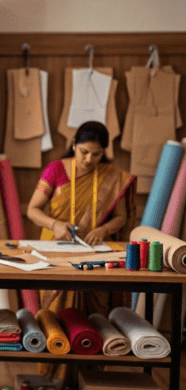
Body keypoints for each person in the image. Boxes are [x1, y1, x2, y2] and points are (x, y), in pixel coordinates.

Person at [26, 120, 136, 315]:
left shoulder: (111, 177)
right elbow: (32, 210)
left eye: (96, 154)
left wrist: (103, 230)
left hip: (95, 252)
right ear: (74, 145)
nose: (88, 159)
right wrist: (55, 224)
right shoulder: (56, 169)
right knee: (56, 315)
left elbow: (121, 217)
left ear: (104, 152)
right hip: (56, 247)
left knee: (96, 315)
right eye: (84, 151)